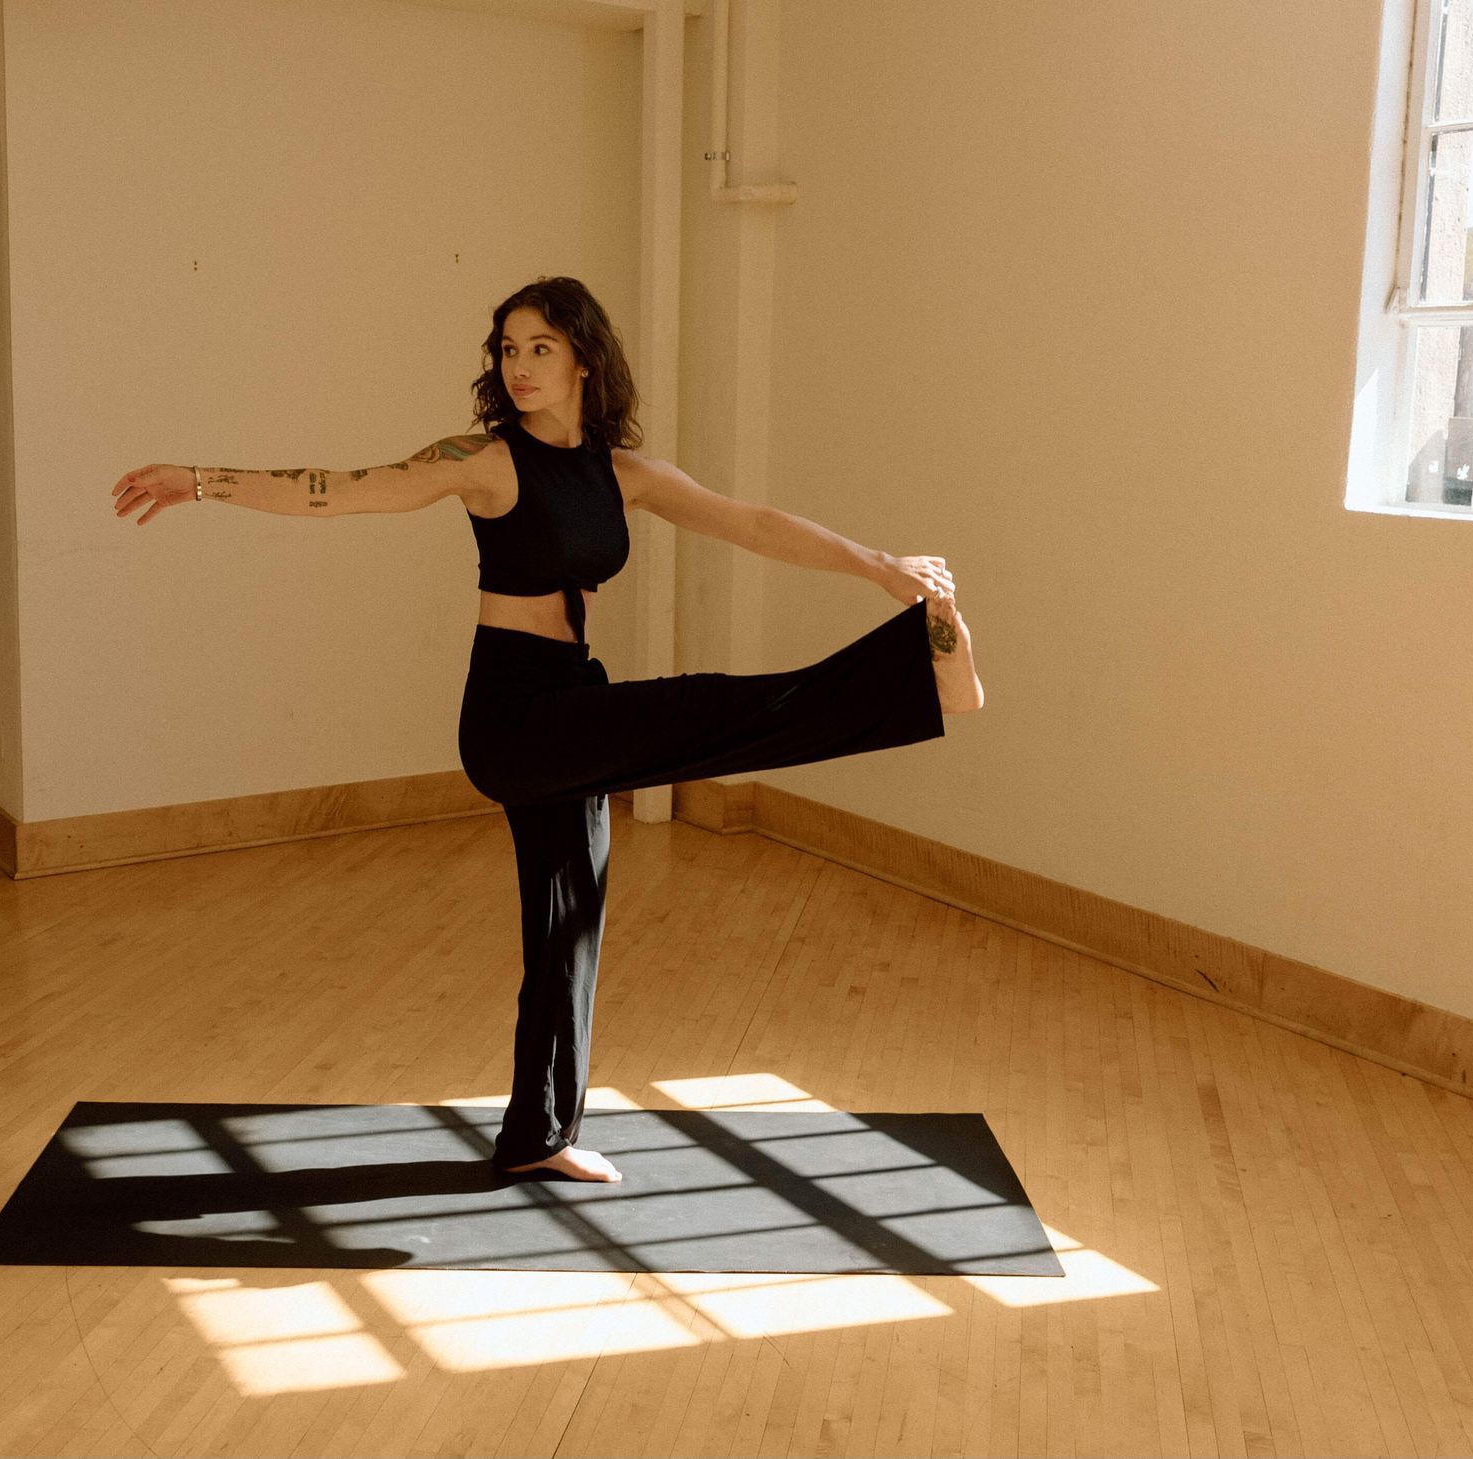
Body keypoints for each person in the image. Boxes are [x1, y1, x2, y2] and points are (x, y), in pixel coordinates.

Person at [109, 275, 982, 1185]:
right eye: (508, 349)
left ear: (584, 361)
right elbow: (344, 490)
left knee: (570, 924)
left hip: (573, 695)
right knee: (703, 707)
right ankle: (921, 682)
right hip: (516, 715)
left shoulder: (623, 474)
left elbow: (753, 525)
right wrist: (201, 481)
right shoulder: (488, 462)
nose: (518, 367)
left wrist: (881, 566)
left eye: (539, 349)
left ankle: (540, 1133)